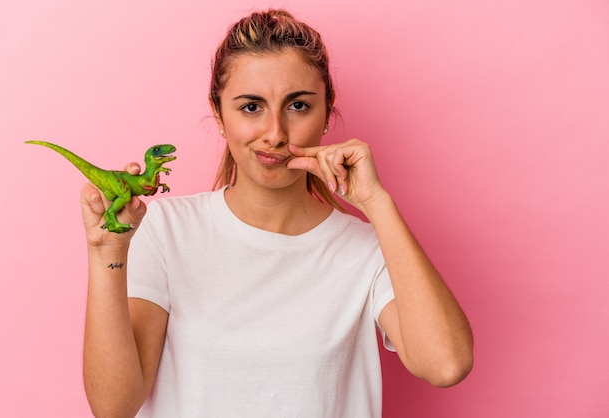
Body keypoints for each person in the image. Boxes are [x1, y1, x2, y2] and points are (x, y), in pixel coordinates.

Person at [80, 9, 473, 418]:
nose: (275, 133)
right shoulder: (166, 229)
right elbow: (114, 406)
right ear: (219, 115)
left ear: (326, 114)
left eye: (298, 105)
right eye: (251, 107)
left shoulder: (369, 250)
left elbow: (446, 364)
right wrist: (106, 251)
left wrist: (377, 203)